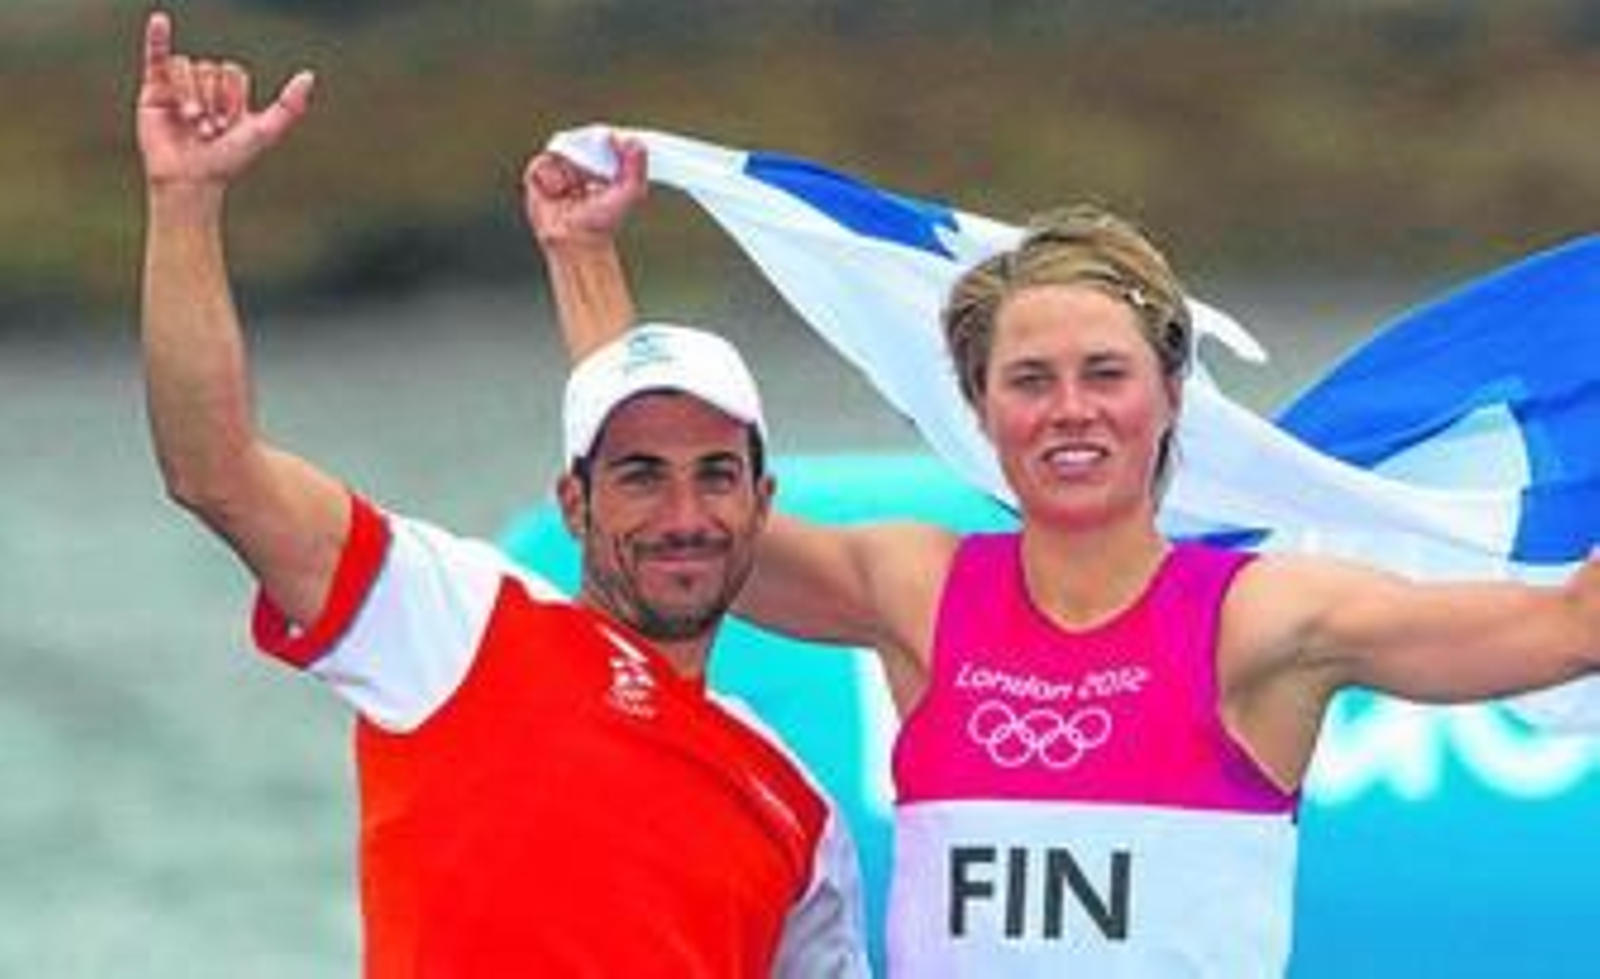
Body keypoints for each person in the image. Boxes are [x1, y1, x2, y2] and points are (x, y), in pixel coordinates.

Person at [525, 137, 1600, 978]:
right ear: (980, 407)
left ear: (1170, 393)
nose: (1069, 411)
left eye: (1105, 373)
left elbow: (1569, 629)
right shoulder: (920, 591)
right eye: (1030, 380)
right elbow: (667, 493)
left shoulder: (1267, 621)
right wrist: (583, 255)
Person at [135, 13, 869, 978]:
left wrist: (582, 256)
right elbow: (215, 472)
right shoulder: (456, 620)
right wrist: (184, 201)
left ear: (760, 502)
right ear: (575, 504)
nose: (684, 515)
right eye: (640, 475)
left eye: (715, 474)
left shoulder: (798, 809)